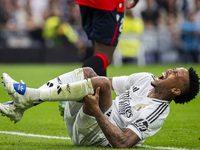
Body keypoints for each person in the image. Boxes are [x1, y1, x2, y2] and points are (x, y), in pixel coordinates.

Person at [0, 67, 199, 148]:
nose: (169, 70)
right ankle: (22, 105)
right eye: (173, 69)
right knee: (88, 73)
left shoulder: (157, 112)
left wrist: (96, 110)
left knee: (101, 85)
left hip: (93, 136)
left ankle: (29, 97)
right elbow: (102, 81)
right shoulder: (145, 78)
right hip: (82, 118)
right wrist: (88, 87)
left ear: (176, 90)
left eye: (174, 74)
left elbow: (122, 143)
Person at [76, 0, 140, 76]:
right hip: (108, 4)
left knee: (98, 54)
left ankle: (102, 87)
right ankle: (67, 82)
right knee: (105, 56)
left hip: (85, 3)